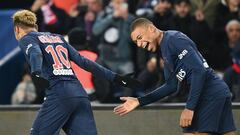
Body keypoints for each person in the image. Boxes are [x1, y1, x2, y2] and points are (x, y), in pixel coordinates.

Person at [12, 9, 141, 135]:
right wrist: (116, 78)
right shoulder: (58, 37)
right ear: (36, 26)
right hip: (80, 95)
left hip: (58, 94)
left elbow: (35, 53)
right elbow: (84, 61)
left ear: (17, 29)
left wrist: (36, 72)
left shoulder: (26, 38)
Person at [114, 18, 236, 135]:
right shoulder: (164, 49)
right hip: (213, 93)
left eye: (140, 38)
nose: (140, 44)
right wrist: (140, 101)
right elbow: (171, 85)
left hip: (210, 93)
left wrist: (189, 107)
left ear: (151, 28)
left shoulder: (174, 39)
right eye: (136, 42)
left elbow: (199, 71)